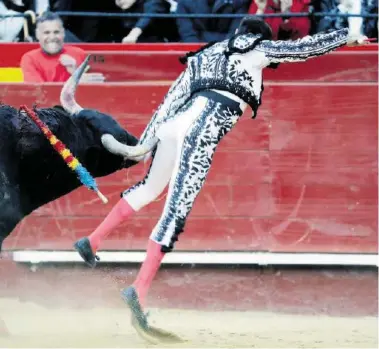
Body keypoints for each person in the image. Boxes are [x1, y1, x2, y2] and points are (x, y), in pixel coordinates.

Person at [73, 16, 368, 343]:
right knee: (175, 211)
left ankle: (94, 239)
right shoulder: (256, 48)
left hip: (175, 127)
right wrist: (347, 36)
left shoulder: (205, 54)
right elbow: (300, 49)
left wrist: (144, 144)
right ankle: (139, 290)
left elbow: (171, 99)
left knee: (150, 188)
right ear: (257, 37)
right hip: (200, 132)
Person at [20, 11, 105, 83]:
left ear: (63, 33)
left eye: (56, 32)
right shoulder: (29, 59)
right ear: (38, 35)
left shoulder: (79, 54)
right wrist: (76, 79)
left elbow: (100, 82)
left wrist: (77, 73)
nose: (52, 37)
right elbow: (39, 92)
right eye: (46, 33)